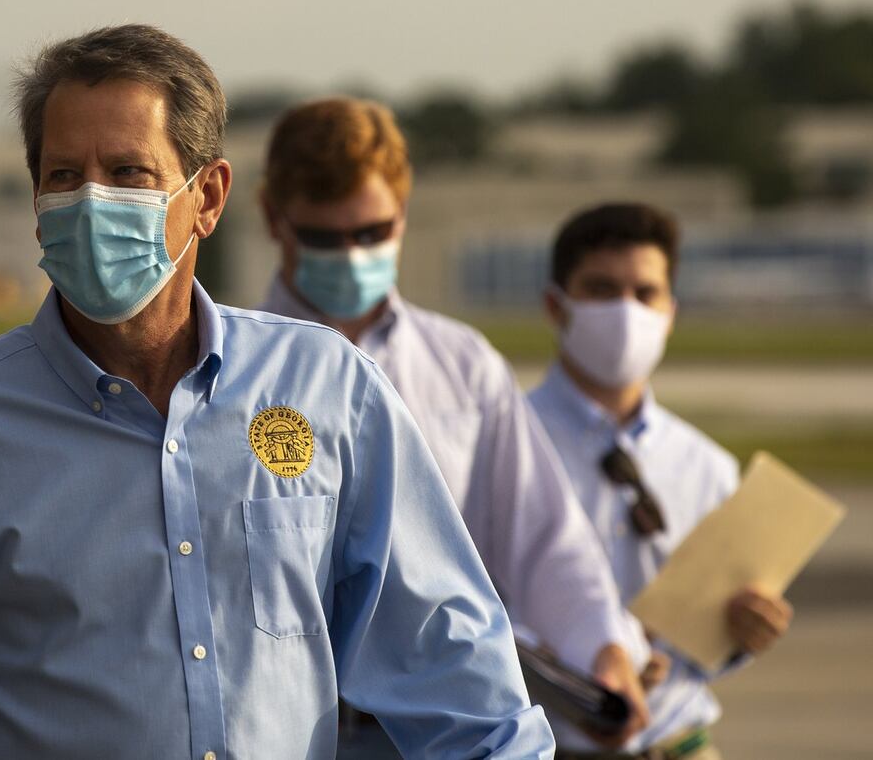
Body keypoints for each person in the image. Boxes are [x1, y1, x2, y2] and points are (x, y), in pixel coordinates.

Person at [0, 25, 555, 759]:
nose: (91, 205)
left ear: (210, 197)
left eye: (128, 173)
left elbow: (459, 679)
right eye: (64, 176)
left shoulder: (328, 387)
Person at [256, 98, 651, 754]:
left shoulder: (462, 366)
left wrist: (604, 647)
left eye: (374, 231)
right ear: (274, 218)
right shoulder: (231, 367)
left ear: (404, 214)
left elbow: (545, 537)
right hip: (290, 730)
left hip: (440, 732)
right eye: (325, 237)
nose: (353, 255)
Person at [527, 202, 793, 760]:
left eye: (644, 293)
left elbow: (710, 646)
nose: (626, 312)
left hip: (677, 743)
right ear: (557, 305)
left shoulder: (708, 466)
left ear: (670, 310)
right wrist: (576, 673)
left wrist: (745, 632)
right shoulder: (504, 446)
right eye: (601, 290)